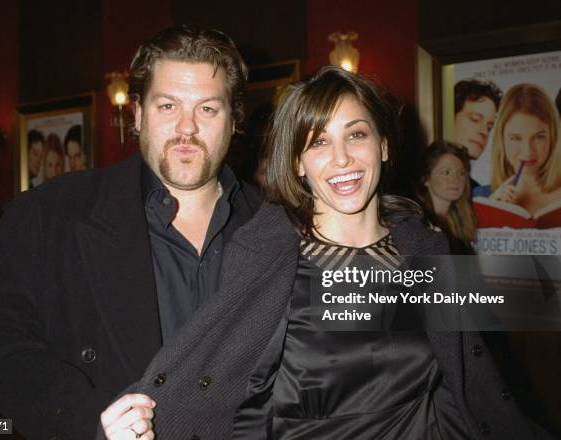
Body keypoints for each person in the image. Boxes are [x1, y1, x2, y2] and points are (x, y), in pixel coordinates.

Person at [108, 67, 552, 439]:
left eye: (355, 134)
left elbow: (475, 380)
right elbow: (208, 371)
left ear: (383, 145)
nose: (341, 158)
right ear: (299, 163)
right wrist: (132, 421)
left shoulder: (426, 250)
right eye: (318, 142)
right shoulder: (266, 256)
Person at [0, 24, 261, 439]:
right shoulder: (51, 214)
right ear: (136, 114)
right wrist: (82, 417)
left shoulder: (274, 225)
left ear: (233, 120)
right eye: (167, 106)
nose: (187, 127)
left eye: (207, 108)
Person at [473, 83, 561, 217]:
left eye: (538, 137)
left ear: (553, 137)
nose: (527, 151)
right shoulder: (480, 197)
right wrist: (488, 216)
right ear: (502, 140)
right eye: (516, 138)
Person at [415, 141, 477, 254]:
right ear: (426, 179)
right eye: (446, 172)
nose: (455, 179)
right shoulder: (418, 225)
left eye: (461, 173)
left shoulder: (462, 224)